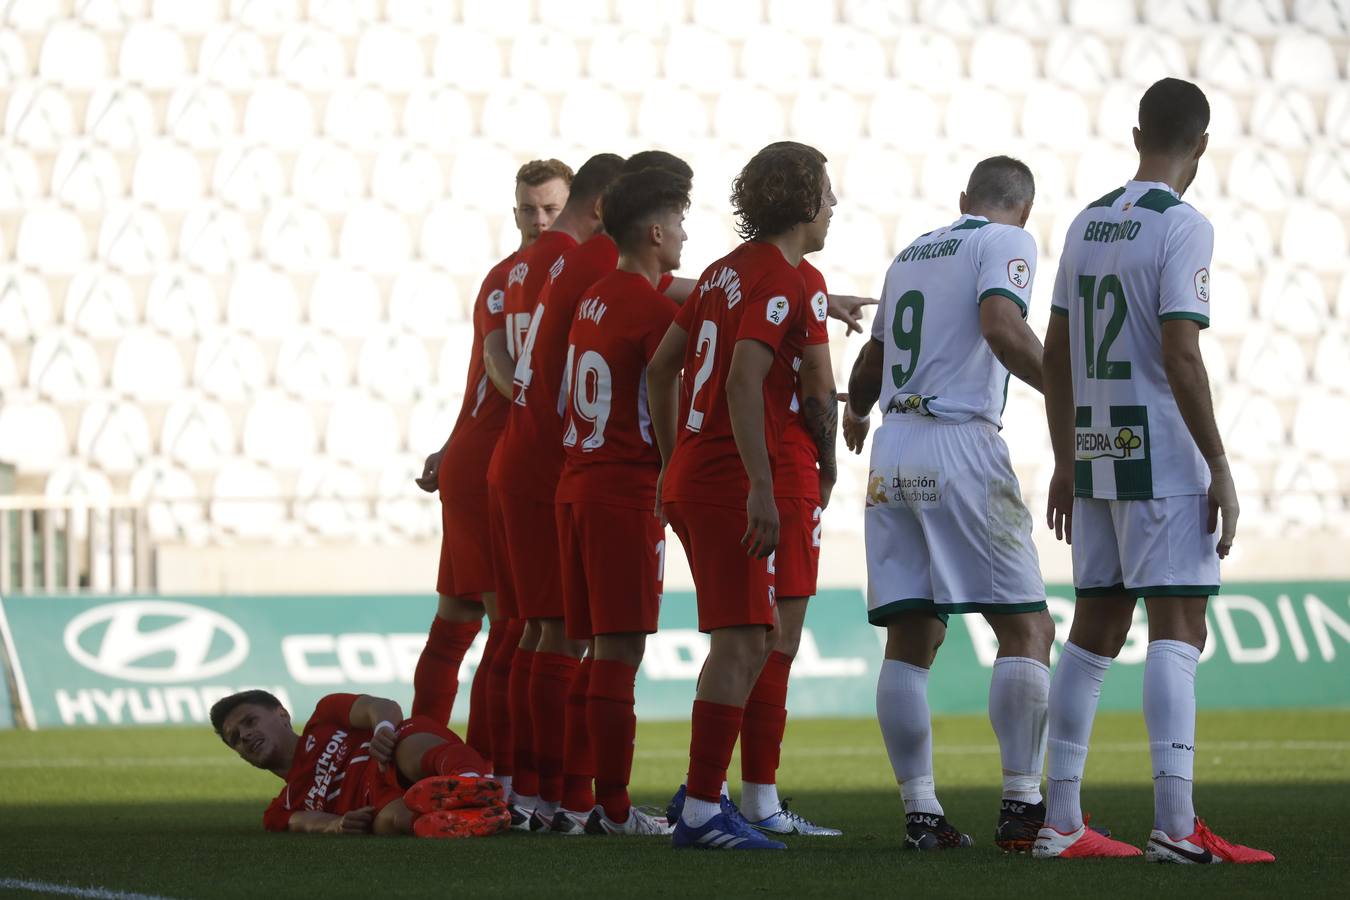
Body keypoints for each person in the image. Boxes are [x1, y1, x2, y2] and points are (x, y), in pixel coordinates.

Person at [1033, 78, 1274, 864]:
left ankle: (1059, 820)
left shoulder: (1087, 219)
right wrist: (1220, 464)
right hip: (1161, 454)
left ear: (1137, 132)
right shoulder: (1184, 227)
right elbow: (1180, 350)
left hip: (1097, 449)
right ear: (1200, 146)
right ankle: (1176, 826)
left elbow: (1059, 349)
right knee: (1180, 626)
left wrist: (1066, 456)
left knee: (1094, 629)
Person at [843, 156, 1057, 852]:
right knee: (1027, 629)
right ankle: (1024, 809)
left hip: (893, 446)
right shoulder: (1006, 242)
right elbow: (1000, 325)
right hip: (958, 440)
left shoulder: (910, 253)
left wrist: (855, 416)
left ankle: (921, 813)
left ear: (964, 198)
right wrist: (1068, 388)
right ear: (1023, 210)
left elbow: (873, 359)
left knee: (912, 635)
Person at [647, 141, 837, 851]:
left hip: (707, 472)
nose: (834, 205)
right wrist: (759, 484)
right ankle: (701, 809)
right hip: (737, 477)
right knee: (745, 640)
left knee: (759, 637)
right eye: (826, 191)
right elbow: (739, 381)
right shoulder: (784, 280)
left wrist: (675, 462)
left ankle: (731, 800)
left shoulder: (725, 274)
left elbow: (663, 370)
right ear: (804, 200)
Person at [413, 160, 572, 775]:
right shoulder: (517, 278)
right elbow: (498, 369)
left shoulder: (520, 276)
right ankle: (488, 772)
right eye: (529, 210)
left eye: (551, 210)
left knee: (457, 621)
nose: (538, 221)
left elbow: (483, 373)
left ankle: (422, 757)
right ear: (514, 214)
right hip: (494, 465)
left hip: (476, 457)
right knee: (514, 627)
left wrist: (452, 445)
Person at [486, 152, 627, 828]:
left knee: (532, 631)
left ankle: (526, 789)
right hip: (551, 462)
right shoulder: (585, 254)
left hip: (520, 454)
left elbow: (498, 352)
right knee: (563, 635)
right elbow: (646, 295)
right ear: (607, 208)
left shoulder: (534, 264)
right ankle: (559, 797)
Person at [552, 166, 690, 836]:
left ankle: (576, 800)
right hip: (622, 491)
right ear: (657, 231)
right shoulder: (654, 311)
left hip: (577, 485)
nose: (687, 235)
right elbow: (672, 398)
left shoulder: (597, 296)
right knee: (619, 653)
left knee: (591, 649)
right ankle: (609, 808)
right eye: (682, 222)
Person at [210, 690, 505, 838]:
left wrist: (382, 731)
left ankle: (472, 782)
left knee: (408, 750)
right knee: (390, 822)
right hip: (378, 800)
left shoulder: (324, 715)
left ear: (282, 715)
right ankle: (474, 818)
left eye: (250, 722)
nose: (246, 736)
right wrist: (337, 823)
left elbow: (381, 708)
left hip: (388, 758)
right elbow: (308, 822)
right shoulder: (282, 806)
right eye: (235, 738)